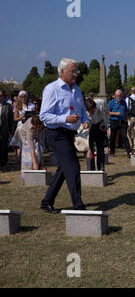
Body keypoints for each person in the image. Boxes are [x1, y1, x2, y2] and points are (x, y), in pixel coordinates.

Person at [39, 58, 89, 213]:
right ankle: (78, 206)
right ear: (62, 72)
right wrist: (64, 118)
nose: (76, 74)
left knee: (64, 168)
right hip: (56, 133)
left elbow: (81, 109)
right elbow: (44, 116)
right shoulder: (51, 89)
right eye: (72, 71)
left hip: (70, 133)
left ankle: (47, 201)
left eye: (76, 71)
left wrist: (85, 121)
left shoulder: (77, 89)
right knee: (73, 166)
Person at [85, 98, 108, 171]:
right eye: (89, 111)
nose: (91, 112)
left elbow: (107, 113)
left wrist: (105, 124)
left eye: (92, 110)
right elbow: (86, 129)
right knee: (89, 149)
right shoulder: (84, 111)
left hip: (100, 125)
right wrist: (88, 146)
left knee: (100, 148)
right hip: (90, 127)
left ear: (95, 107)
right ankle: (91, 170)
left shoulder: (102, 104)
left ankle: (101, 168)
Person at [108, 89, 132, 157]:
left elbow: (126, 111)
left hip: (122, 122)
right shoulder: (111, 102)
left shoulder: (124, 102)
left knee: (125, 136)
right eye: (117, 95)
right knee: (112, 137)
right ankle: (112, 152)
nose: (119, 97)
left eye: (120, 95)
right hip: (114, 121)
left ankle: (129, 152)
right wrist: (115, 113)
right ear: (115, 96)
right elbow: (107, 112)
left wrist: (126, 119)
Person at [0, 90, 14, 166]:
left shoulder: (8, 106)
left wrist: (11, 130)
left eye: (1, 96)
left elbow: (11, 119)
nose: (0, 97)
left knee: (3, 146)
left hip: (4, 129)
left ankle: (3, 162)